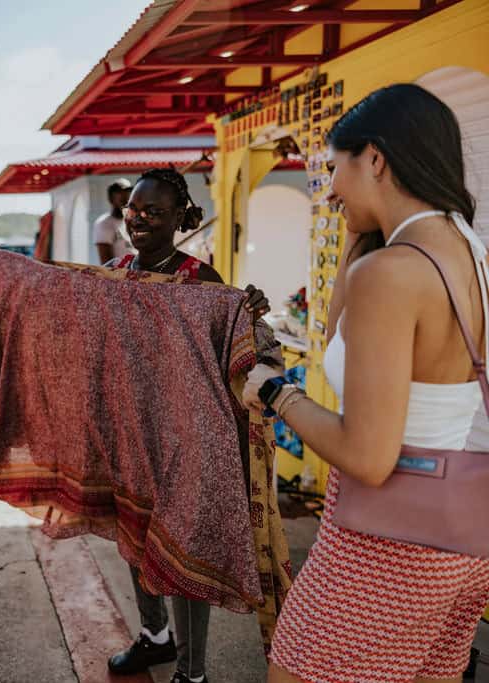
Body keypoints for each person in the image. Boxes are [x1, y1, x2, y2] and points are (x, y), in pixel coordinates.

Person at [243, 84, 489, 682]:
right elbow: (341, 345)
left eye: (335, 168)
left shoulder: (393, 272)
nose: (329, 190)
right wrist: (361, 230)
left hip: (385, 542)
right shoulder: (465, 249)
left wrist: (275, 391)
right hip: (461, 534)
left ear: (375, 159)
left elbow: (368, 456)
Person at [107, 168, 273, 683]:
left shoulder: (204, 283)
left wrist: (248, 316)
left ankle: (192, 672)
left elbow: (240, 352)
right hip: (132, 437)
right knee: (135, 538)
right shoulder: (113, 273)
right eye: (132, 210)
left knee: (182, 555)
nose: (138, 220)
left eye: (153, 212)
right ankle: (154, 636)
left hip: (186, 444)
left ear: (181, 218)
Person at [94, 178, 135, 264]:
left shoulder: (132, 221)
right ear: (111, 199)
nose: (126, 197)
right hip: (119, 275)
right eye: (119, 193)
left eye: (128, 193)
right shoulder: (104, 223)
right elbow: (106, 261)